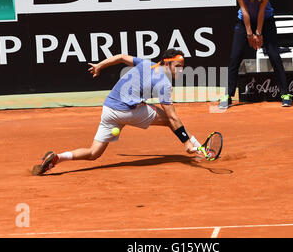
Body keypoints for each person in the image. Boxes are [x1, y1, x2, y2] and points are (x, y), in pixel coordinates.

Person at [32, 49, 206, 176]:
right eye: (178, 66)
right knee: (169, 119)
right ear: (167, 63)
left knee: (94, 153)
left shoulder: (146, 64)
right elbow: (172, 116)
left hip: (108, 109)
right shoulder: (164, 83)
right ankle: (197, 147)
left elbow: (122, 57)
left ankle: (57, 158)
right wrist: (185, 142)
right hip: (127, 111)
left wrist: (100, 65)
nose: (181, 70)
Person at [219, 0, 293, 109]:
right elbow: (244, 10)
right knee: (235, 57)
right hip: (243, 21)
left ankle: (285, 94)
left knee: (274, 55)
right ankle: (228, 95)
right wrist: (249, 33)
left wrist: (258, 33)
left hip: (265, 20)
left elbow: (262, 9)